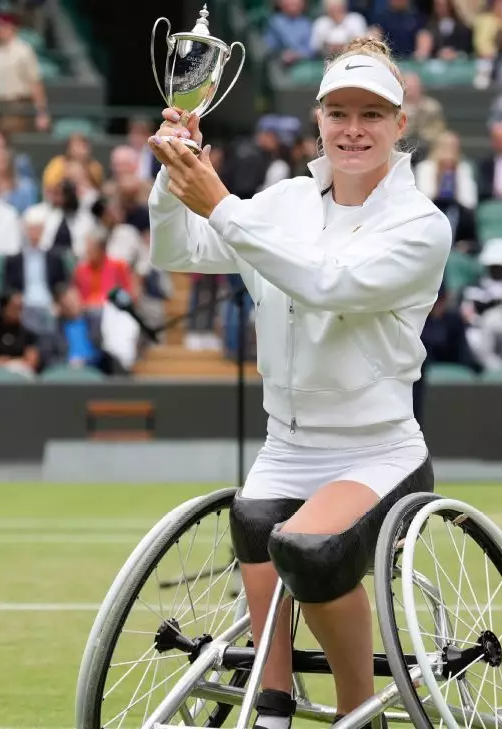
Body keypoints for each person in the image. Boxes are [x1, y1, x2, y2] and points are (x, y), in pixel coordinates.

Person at [144, 37, 451, 729]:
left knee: (307, 547)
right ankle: (273, 703)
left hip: (379, 452)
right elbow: (176, 248)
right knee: (255, 517)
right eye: (339, 111)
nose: (352, 129)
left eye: (372, 114)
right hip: (286, 444)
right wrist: (175, 170)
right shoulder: (281, 202)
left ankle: (357, 709)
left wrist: (220, 202)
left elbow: (327, 284)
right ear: (317, 117)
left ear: (401, 124)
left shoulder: (420, 225)